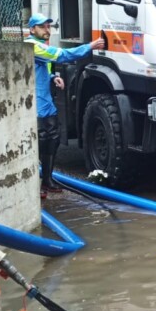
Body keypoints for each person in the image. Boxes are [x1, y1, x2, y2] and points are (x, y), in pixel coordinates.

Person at [26, 13, 105, 197]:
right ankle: (40, 183)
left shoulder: (41, 45)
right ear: (32, 29)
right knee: (43, 140)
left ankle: (46, 180)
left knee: (52, 139)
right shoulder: (32, 45)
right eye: (42, 26)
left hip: (45, 100)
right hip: (37, 102)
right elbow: (62, 55)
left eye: (48, 26)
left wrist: (54, 78)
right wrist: (90, 46)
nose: (47, 29)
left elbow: (41, 68)